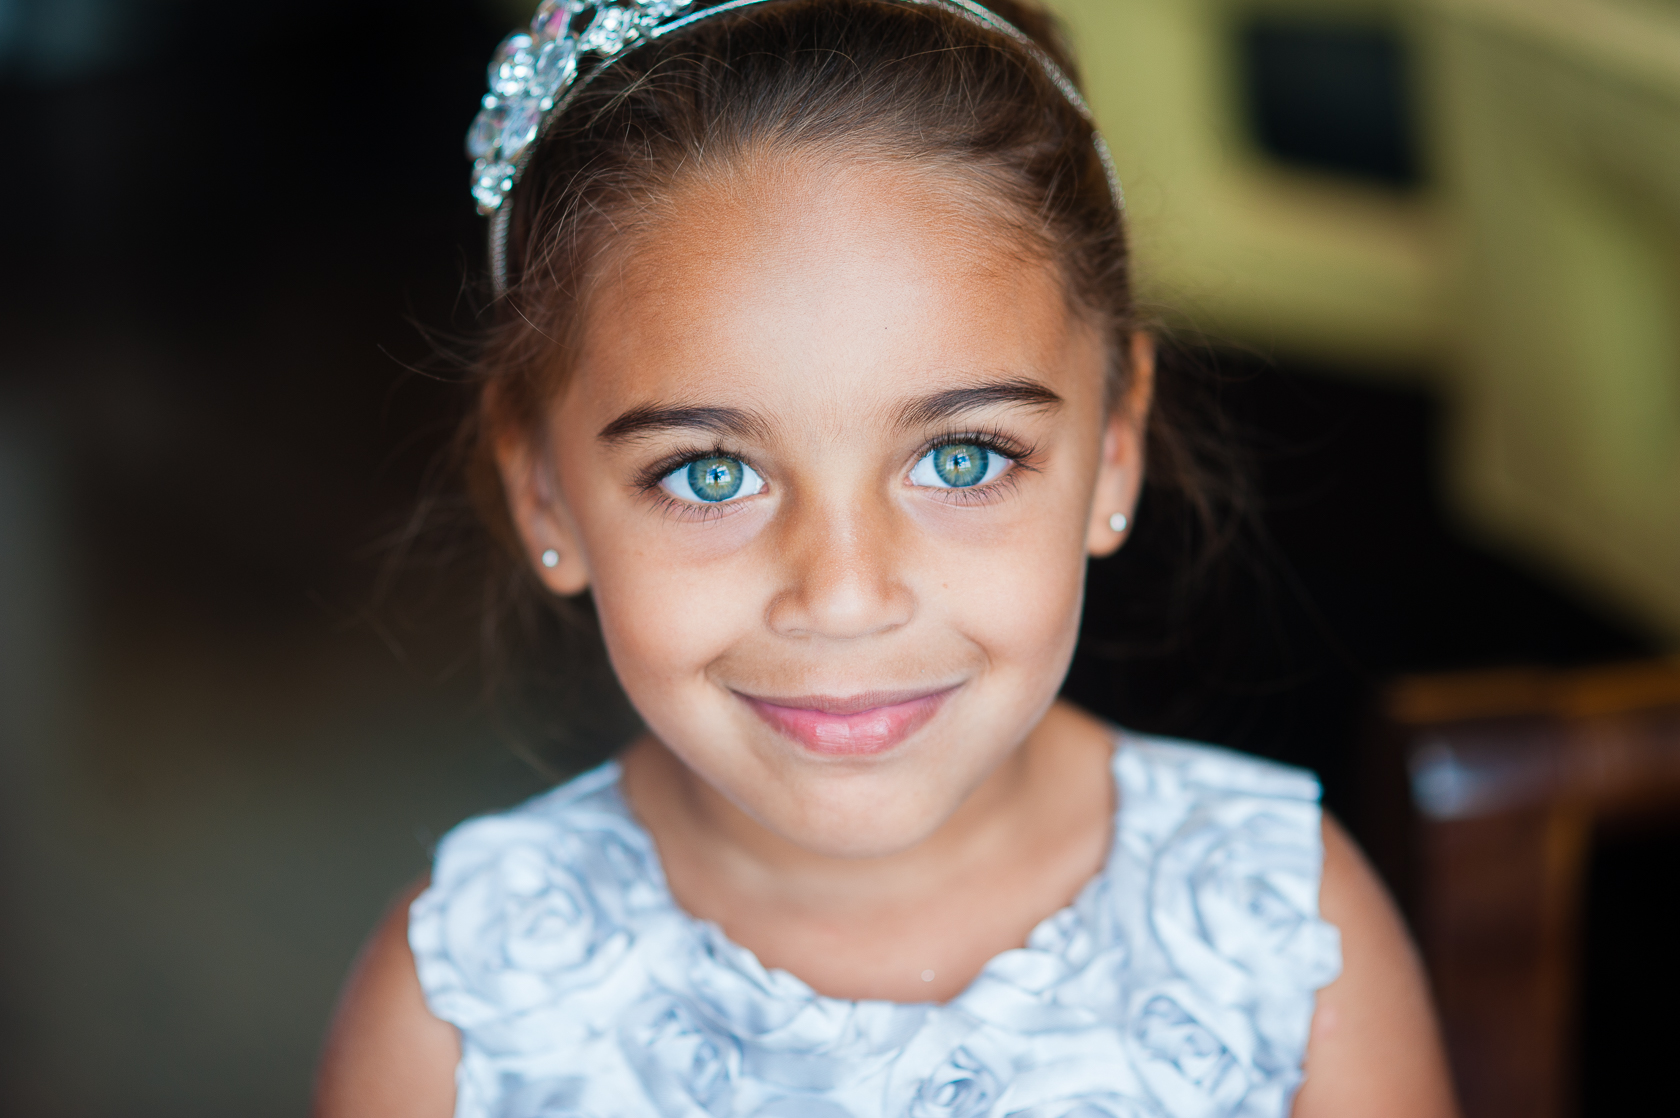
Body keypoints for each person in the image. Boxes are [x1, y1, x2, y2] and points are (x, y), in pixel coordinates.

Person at [313, 1, 1459, 1114]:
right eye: (710, 472)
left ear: (1116, 446)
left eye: (961, 459)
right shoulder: (455, 1017)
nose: (846, 596)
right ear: (543, 488)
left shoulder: (1283, 937)